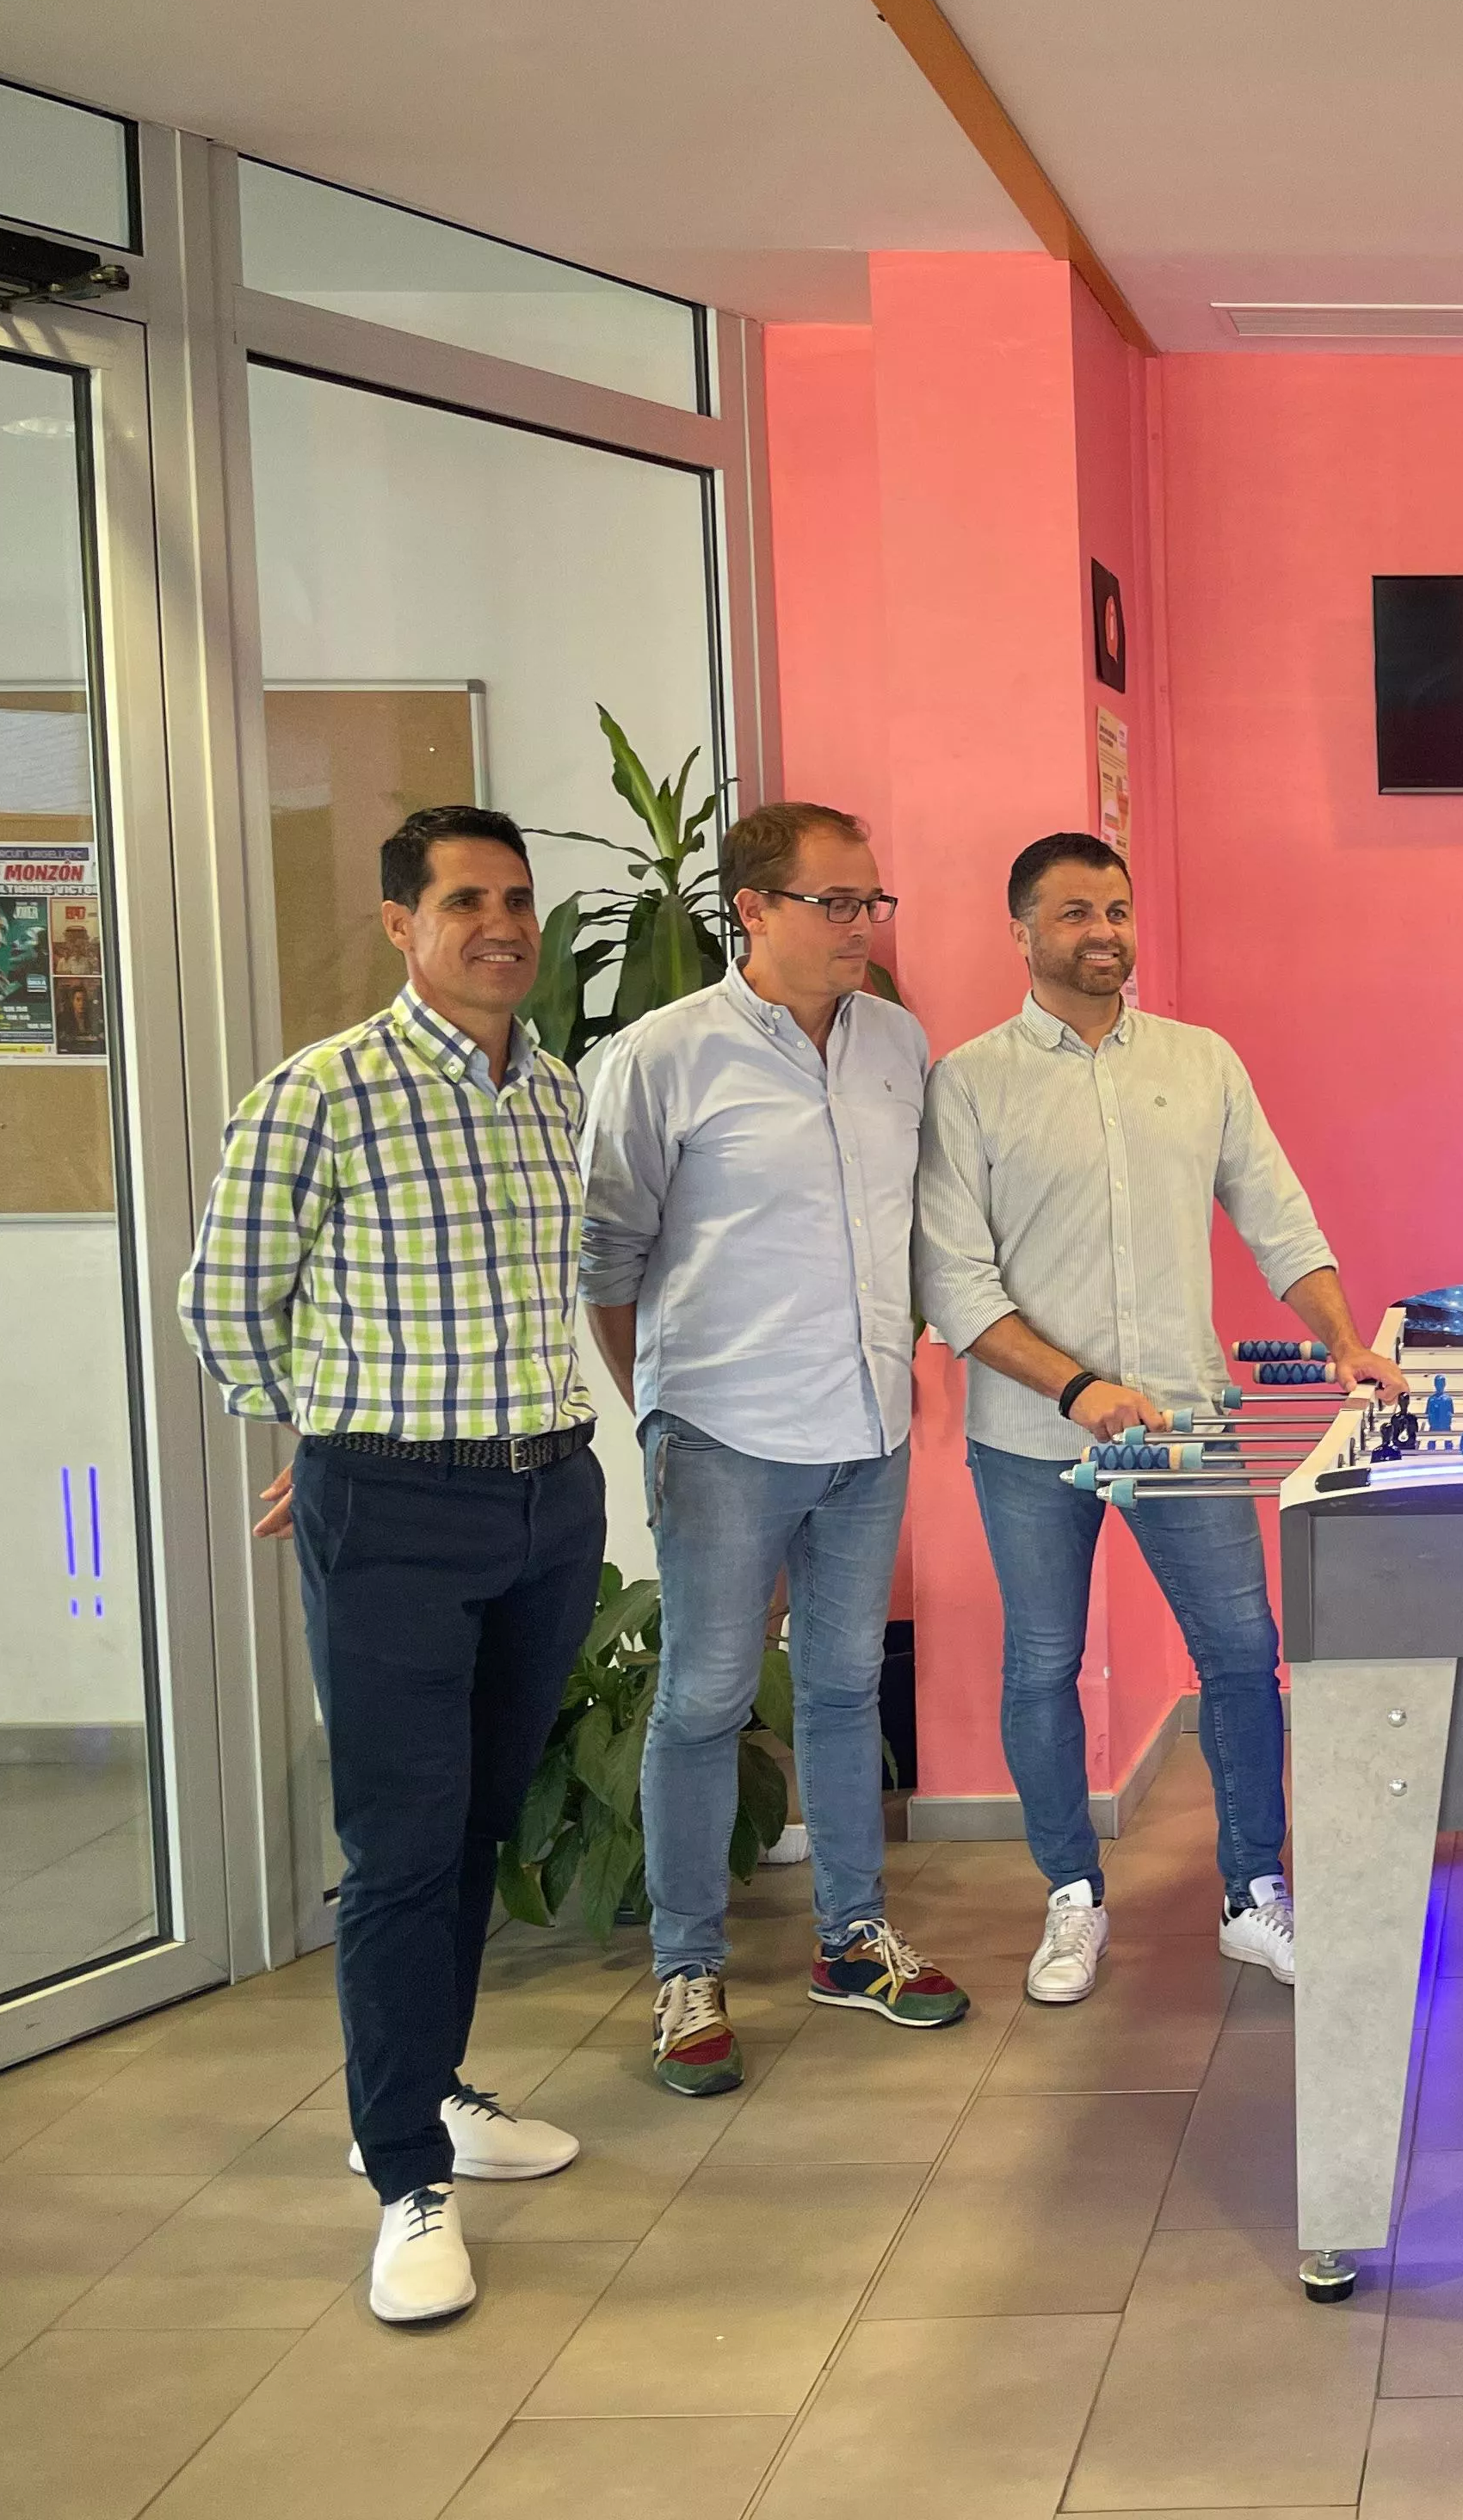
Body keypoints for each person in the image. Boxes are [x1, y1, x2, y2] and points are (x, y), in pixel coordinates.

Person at [178, 805, 594, 2325]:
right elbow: (225, 1302)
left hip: (550, 1500)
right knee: (404, 1843)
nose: (502, 923)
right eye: (467, 899)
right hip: (398, 1514)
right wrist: (335, 1431)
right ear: (399, 924)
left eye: (519, 899)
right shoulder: (320, 1095)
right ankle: (402, 2168)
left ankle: (437, 2083)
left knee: (480, 1819)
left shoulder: (555, 1091)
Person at [915, 830, 1405, 2006]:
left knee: (1242, 1657)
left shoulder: (1201, 1061)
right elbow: (955, 1285)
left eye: (1119, 909)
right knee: (1043, 1666)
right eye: (1076, 913)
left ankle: (1251, 1893)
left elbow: (1279, 1219)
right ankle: (1072, 1899)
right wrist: (1079, 1389)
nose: (1105, 933)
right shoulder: (971, 1081)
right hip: (1034, 1441)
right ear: (1023, 932)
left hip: (1188, 1425)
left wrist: (1344, 1338)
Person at [579, 802, 966, 2101]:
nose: (865, 927)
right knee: (703, 1699)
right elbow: (607, 1259)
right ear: (754, 908)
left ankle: (853, 1940)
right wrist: (661, 1410)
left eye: (874, 903)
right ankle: (687, 1971)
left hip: (868, 1423)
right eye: (837, 904)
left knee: (848, 1686)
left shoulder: (898, 1044)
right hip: (725, 1431)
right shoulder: (661, 1055)